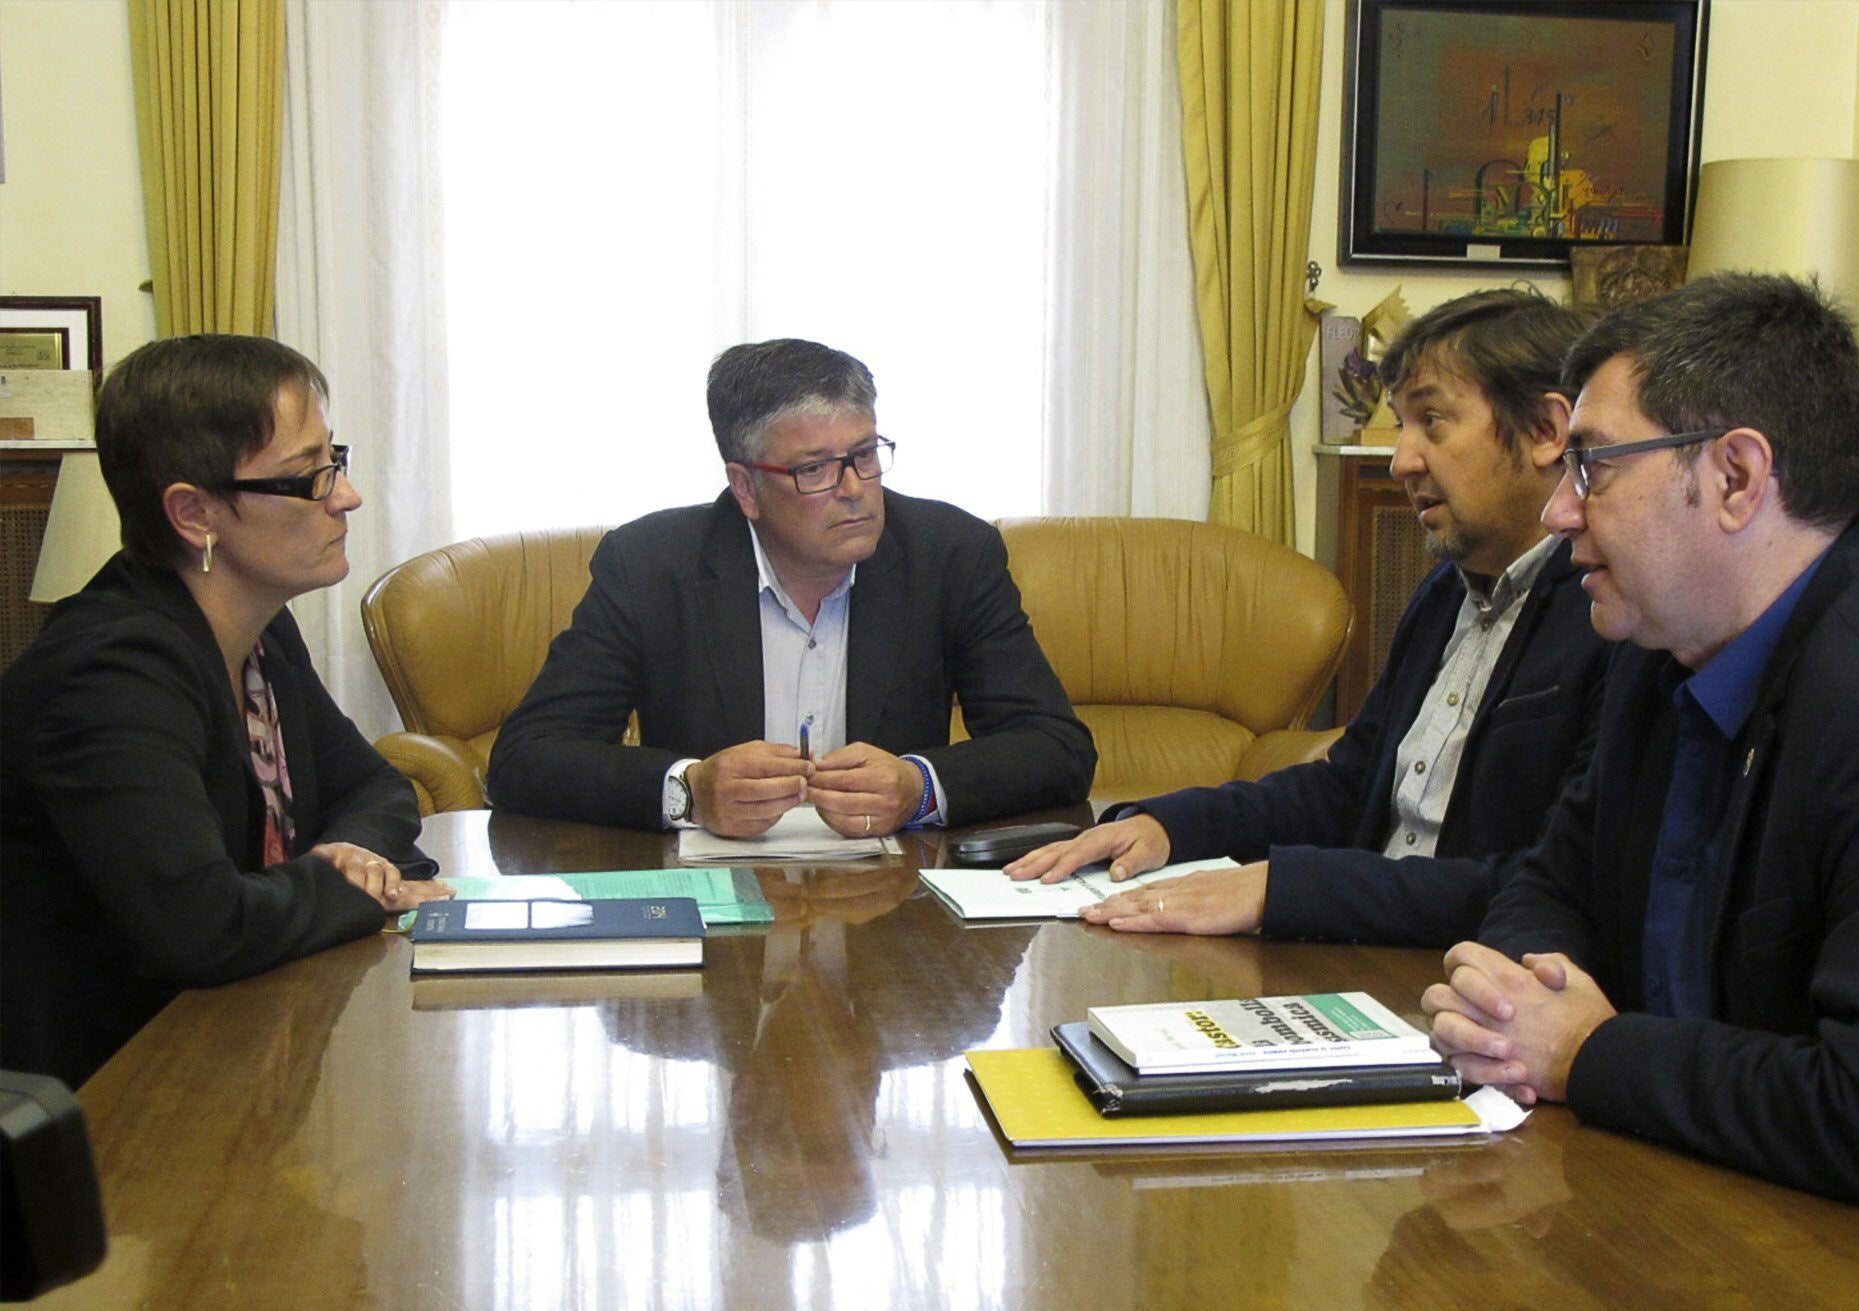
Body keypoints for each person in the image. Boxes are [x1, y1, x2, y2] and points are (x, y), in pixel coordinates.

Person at [1422, 274, 1859, 1279]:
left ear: (1734, 477)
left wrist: (1581, 1052)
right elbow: (1546, 880)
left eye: (1590, 468)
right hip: (1679, 1198)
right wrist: (1524, 1002)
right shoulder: (1654, 650)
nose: (1553, 512)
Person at [1006, 290, 1611, 947]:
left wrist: (1282, 887)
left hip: (1471, 981)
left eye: (1432, 421)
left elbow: (1554, 889)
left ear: (1548, 431)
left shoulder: (1611, 614)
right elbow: (1348, 787)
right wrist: (1169, 825)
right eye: (1402, 426)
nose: (1401, 460)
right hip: (1363, 954)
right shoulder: (1445, 594)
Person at [0, 335, 449, 1089]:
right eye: (309, 477)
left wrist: (343, 862)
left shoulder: (261, 626)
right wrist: (354, 885)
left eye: (333, 460)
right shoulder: (109, 675)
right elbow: (203, 927)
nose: (346, 495)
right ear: (193, 511)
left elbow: (377, 789)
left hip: (218, 1050)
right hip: (95, 1107)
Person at [487, 338, 1094, 836]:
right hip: (717, 918)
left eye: (864, 454)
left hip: (893, 912)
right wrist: (689, 790)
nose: (854, 487)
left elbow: (1057, 748)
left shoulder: (949, 553)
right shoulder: (650, 565)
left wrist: (920, 785)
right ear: (745, 488)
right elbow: (526, 759)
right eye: (814, 469)